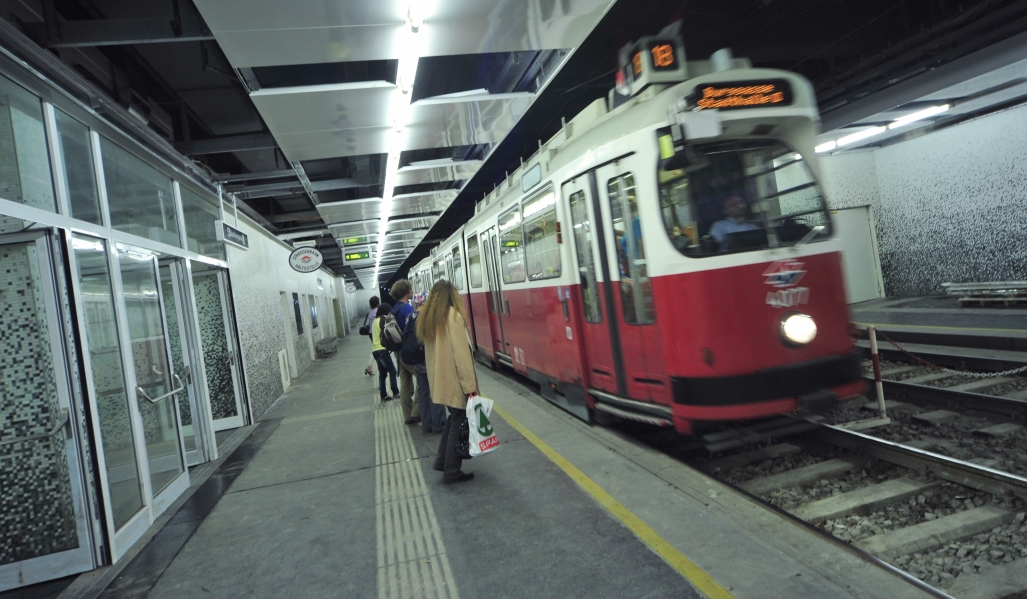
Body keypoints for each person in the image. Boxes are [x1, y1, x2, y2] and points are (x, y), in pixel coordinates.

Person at [417, 280, 478, 484]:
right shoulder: (453, 317)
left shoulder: (429, 318)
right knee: (458, 420)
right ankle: (451, 470)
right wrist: (470, 386)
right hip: (454, 380)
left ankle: (442, 461)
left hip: (440, 380)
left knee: (453, 419)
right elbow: (462, 357)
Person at [408, 292, 446, 434]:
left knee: (423, 391)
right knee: (435, 390)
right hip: (428, 359)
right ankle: (439, 424)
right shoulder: (428, 318)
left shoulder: (410, 318)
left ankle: (427, 424)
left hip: (416, 361)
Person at [389, 280, 421, 425]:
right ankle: (416, 412)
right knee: (424, 379)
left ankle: (407, 416)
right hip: (409, 352)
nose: (413, 292)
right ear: (405, 291)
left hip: (399, 352)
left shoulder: (394, 308)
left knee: (405, 385)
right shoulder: (407, 310)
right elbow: (416, 329)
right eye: (411, 289)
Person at [371, 303, 400, 402]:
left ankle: (383, 394)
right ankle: (395, 392)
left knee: (382, 373)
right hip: (382, 350)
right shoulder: (383, 320)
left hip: (375, 350)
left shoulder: (375, 321)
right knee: (392, 371)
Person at [362, 296, 380, 376]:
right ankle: (369, 367)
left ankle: (370, 367)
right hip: (377, 332)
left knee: (375, 348)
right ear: (377, 303)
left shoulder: (369, 311)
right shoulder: (378, 311)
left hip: (371, 333)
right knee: (376, 349)